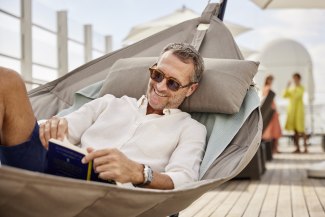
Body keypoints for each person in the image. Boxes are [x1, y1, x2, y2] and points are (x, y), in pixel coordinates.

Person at [0, 42, 207, 190]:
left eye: (173, 83)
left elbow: (184, 179)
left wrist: (139, 173)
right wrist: (51, 126)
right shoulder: (108, 103)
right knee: (6, 80)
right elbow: (64, 131)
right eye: (158, 75)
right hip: (54, 173)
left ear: (190, 89)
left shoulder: (190, 128)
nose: (160, 86)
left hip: (108, 198)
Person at [283, 73, 308, 153]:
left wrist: (293, 89)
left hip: (299, 111)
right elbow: (284, 95)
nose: (295, 80)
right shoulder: (292, 88)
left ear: (299, 79)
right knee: (295, 131)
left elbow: (298, 95)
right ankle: (298, 148)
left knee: (302, 130)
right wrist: (287, 86)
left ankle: (305, 148)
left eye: (296, 78)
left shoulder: (301, 87)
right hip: (292, 111)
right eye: (294, 78)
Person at [261, 75, 282, 153]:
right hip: (271, 111)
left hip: (271, 110)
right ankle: (274, 149)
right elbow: (268, 101)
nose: (271, 81)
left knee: (273, 131)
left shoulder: (265, 88)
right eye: (270, 80)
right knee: (274, 131)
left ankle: (274, 148)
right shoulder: (267, 88)